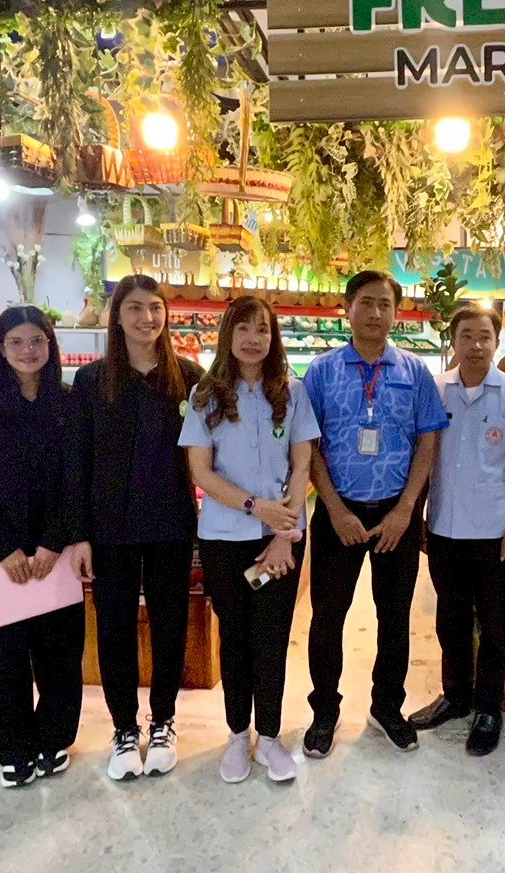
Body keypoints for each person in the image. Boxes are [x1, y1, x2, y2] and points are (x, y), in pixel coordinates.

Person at [64, 274, 205, 780]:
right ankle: (124, 728)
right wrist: (79, 534)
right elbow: (76, 462)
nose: (147, 318)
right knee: (114, 630)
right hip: (110, 529)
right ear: (117, 317)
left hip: (171, 524)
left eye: (155, 308)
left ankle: (163, 721)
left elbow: (205, 456)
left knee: (170, 626)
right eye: (135, 308)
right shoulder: (92, 381)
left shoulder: (189, 377)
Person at [302, 270, 448, 757]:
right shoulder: (322, 372)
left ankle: (387, 706)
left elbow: (428, 440)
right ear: (347, 308)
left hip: (395, 516)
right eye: (366, 302)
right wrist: (334, 509)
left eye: (385, 304)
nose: (376, 313)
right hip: (337, 513)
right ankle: (325, 710)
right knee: (327, 618)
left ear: (396, 313)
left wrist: (407, 510)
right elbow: (308, 446)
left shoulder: (414, 371)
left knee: (394, 617)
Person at [180, 296, 320, 784]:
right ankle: (238, 734)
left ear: (273, 337)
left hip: (281, 539)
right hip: (224, 538)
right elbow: (200, 470)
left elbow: (301, 465)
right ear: (228, 335)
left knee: (273, 637)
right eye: (243, 328)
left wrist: (284, 532)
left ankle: (271, 737)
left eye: (262, 329)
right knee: (235, 638)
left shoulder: (293, 392)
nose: (253, 338)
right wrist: (254, 506)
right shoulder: (205, 396)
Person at [0, 306, 82, 788]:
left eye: (37, 341)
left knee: (59, 651)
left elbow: (78, 478)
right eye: (17, 342)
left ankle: (54, 738)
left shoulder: (69, 403)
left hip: (56, 551)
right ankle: (14, 748)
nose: (28, 350)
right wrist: (2, 547)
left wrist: (53, 541)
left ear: (51, 345)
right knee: (5, 654)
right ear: (1, 349)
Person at [408, 306, 505, 756]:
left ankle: (488, 708)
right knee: (449, 617)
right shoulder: (434, 389)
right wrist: (418, 516)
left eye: (485, 336)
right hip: (444, 526)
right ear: (454, 341)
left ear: (496, 342)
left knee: (494, 622)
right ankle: (455, 697)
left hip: (493, 530)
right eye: (467, 336)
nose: (476, 345)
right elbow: (423, 458)